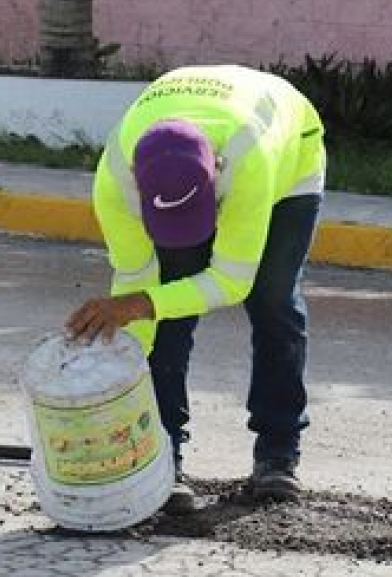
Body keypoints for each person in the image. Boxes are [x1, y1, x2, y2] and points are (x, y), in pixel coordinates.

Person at [66, 64, 326, 511]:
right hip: (201, 136)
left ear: (216, 172)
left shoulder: (248, 159)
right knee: (166, 310)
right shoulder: (114, 181)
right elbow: (134, 281)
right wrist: (120, 372)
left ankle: (278, 453)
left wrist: (144, 302)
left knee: (272, 300)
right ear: (136, 182)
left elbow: (230, 282)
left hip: (290, 154)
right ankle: (162, 455)